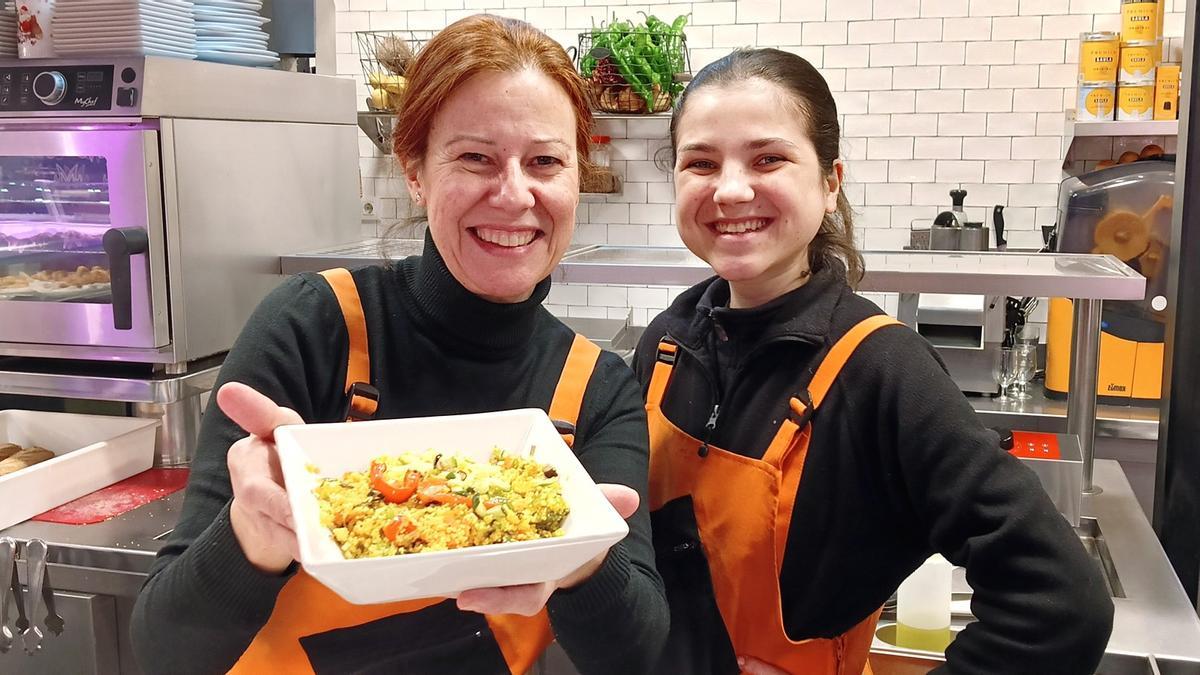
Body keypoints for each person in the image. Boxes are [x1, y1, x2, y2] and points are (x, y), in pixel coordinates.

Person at [130, 14, 667, 675]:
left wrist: (584, 556)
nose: (514, 193)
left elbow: (639, 654)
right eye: (475, 157)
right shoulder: (312, 327)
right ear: (413, 169)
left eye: (546, 161)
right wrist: (251, 536)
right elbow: (161, 651)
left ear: (576, 177)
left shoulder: (597, 388)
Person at [633, 48, 1114, 675]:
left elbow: (1061, 604)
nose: (729, 188)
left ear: (831, 182)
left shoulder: (881, 369)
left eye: (768, 158)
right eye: (700, 162)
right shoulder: (667, 343)